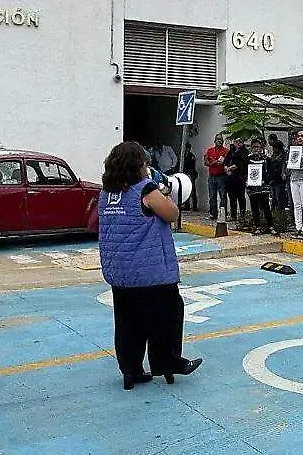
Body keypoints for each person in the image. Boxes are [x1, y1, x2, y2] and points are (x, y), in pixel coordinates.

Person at [98, 141, 202, 390]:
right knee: (167, 317)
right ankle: (168, 363)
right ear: (138, 165)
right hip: (151, 272)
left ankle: (130, 371)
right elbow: (171, 214)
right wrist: (164, 192)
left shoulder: (106, 193)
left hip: (119, 272)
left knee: (127, 323)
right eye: (145, 163)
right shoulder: (146, 190)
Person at [245, 138, 277, 235]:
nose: (256, 149)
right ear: (251, 148)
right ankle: (257, 227)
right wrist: (246, 180)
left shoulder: (266, 159)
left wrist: (265, 180)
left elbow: (272, 172)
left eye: (258, 147)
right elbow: (243, 172)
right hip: (252, 188)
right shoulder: (247, 159)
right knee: (254, 208)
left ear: (261, 148)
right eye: (254, 147)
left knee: (266, 207)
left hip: (263, 188)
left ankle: (271, 226)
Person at [225, 136, 250, 225]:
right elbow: (226, 160)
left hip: (239, 177)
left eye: (239, 141)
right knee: (231, 196)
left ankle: (242, 214)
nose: (238, 143)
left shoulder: (244, 151)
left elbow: (242, 163)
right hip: (230, 177)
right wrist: (226, 168)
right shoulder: (231, 151)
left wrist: (231, 167)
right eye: (236, 141)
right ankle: (233, 214)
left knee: (240, 197)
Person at [203, 135, 229, 219]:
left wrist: (224, 163)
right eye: (218, 139)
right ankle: (213, 214)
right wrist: (212, 163)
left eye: (221, 139)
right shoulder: (210, 150)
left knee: (223, 196)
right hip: (212, 176)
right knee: (212, 196)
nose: (219, 141)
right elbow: (205, 162)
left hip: (222, 176)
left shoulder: (226, 151)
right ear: (214, 141)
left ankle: (223, 214)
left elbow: (229, 162)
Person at [182, 142, 199, 211]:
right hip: (186, 173)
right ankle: (187, 205)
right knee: (186, 190)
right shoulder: (183, 155)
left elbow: (192, 165)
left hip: (191, 173)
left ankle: (194, 206)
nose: (187, 149)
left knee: (192, 190)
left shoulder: (191, 155)